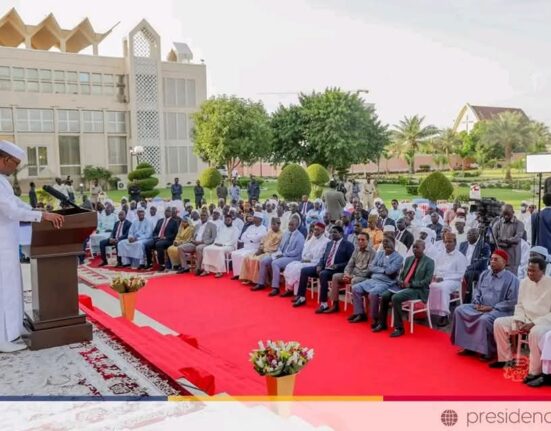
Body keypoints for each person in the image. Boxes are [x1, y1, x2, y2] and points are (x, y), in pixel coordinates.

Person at [0, 141, 64, 352]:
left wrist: (36, 210)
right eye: (15, 163)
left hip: (8, 243)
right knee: (4, 291)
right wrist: (41, 216)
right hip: (2, 245)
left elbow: (17, 203)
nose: (16, 168)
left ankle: (14, 329)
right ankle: (3, 338)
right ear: (5, 159)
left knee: (12, 287)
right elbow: (11, 211)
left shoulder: (3, 181)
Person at [450, 249, 519, 360]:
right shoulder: (485, 274)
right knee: (459, 310)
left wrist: (492, 307)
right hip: (481, 306)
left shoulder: (512, 279)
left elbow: (512, 301)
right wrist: (477, 302)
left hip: (499, 310)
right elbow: (477, 291)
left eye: (496, 259)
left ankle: (488, 351)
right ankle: (469, 347)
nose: (492, 262)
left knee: (485, 319)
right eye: (491, 259)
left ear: (504, 262)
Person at [491, 257, 551, 381]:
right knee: (499, 323)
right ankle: (505, 359)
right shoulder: (524, 282)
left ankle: (535, 371)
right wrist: (519, 319)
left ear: (543, 271)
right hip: (524, 318)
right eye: (528, 270)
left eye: (533, 271)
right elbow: (520, 305)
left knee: (535, 333)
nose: (530, 273)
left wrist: (534, 323)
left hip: (543, 322)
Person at [374, 240, 435, 337]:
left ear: (423, 248)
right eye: (413, 247)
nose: (414, 249)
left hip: (417, 290)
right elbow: (402, 274)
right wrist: (400, 281)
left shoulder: (429, 262)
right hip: (402, 286)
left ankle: (399, 328)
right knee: (385, 295)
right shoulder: (409, 259)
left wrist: (410, 284)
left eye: (417, 247)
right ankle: (382, 323)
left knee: (396, 298)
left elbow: (427, 281)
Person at [292, 225, 354, 310]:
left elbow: (350, 262)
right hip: (325, 267)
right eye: (331, 232)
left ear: (341, 233)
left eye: (335, 232)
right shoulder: (329, 243)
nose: (332, 234)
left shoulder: (348, 245)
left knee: (323, 274)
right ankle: (301, 297)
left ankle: (324, 303)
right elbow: (323, 257)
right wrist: (319, 265)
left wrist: (337, 265)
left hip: (336, 269)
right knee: (304, 271)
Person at [349, 237, 404, 325]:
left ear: (393, 244)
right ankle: (360, 314)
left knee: (373, 293)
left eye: (387, 242)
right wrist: (383, 270)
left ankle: (374, 317)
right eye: (383, 242)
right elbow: (371, 267)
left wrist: (385, 261)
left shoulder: (399, 257)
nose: (385, 244)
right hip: (373, 279)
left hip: (386, 282)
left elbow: (390, 271)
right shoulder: (380, 253)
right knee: (355, 288)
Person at [252, 216, 304, 293]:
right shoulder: (286, 233)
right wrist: (279, 253)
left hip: (293, 257)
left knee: (275, 263)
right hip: (281, 254)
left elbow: (297, 251)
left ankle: (275, 287)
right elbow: (280, 246)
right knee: (264, 260)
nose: (289, 226)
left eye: (292, 225)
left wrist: (284, 255)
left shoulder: (300, 236)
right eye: (289, 224)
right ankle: (261, 283)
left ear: (296, 226)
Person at [327, 232, 376, 313]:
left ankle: (358, 312)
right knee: (335, 276)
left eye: (363, 240)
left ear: (368, 241)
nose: (360, 242)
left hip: (364, 277)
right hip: (352, 275)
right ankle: (335, 305)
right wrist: (346, 274)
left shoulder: (372, 252)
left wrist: (352, 276)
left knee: (354, 280)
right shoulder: (356, 250)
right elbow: (349, 264)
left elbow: (369, 271)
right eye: (358, 240)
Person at [428, 233, 468, 326]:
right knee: (429, 286)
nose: (447, 244)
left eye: (450, 242)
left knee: (442, 288)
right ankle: (432, 311)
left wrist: (444, 278)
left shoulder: (460, 256)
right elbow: (435, 267)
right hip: (439, 278)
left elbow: (460, 274)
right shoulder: (440, 254)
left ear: (455, 242)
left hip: (454, 280)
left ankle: (444, 315)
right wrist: (434, 276)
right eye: (446, 242)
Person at [281, 222, 330, 298]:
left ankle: (297, 293)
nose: (315, 231)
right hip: (306, 261)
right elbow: (305, 252)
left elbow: (319, 257)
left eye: (317, 230)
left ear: (323, 231)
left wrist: (307, 260)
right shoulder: (312, 239)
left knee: (298, 269)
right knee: (290, 266)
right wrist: (305, 258)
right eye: (314, 229)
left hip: (315, 263)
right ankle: (290, 289)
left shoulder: (326, 241)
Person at [240, 218, 284, 284]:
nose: (272, 226)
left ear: (279, 225)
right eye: (272, 224)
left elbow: (277, 248)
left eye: (274, 224)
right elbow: (262, 241)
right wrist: (260, 249)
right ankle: (248, 278)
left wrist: (264, 250)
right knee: (247, 257)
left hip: (271, 253)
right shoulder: (269, 231)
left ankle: (257, 280)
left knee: (257, 260)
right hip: (262, 250)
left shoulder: (281, 234)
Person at [231, 212, 267, 279]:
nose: (254, 219)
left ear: (260, 220)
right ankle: (237, 274)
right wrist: (251, 238)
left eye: (256, 218)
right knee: (235, 254)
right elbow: (242, 237)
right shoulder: (250, 227)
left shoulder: (263, 228)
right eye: (254, 217)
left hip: (254, 248)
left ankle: (244, 276)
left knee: (243, 256)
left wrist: (248, 237)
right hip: (246, 247)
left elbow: (256, 239)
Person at [459, 228, 491, 303]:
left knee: (469, 274)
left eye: (472, 234)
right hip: (462, 268)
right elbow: (459, 257)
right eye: (468, 233)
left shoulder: (484, 246)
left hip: (478, 270)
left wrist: (467, 268)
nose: (469, 235)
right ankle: (455, 297)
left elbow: (481, 263)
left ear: (478, 235)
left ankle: (467, 298)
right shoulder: (463, 244)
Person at [144, 207, 179, 272]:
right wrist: (155, 236)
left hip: (168, 240)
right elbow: (154, 231)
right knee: (147, 244)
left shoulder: (174, 222)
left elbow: (175, 234)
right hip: (158, 238)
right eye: (166, 211)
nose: (167, 212)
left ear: (171, 213)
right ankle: (149, 263)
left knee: (159, 244)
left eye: (168, 211)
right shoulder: (160, 220)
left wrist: (166, 237)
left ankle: (162, 264)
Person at [493, 204, 525, 275]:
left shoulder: (519, 224)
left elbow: (517, 239)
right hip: (500, 256)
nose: (506, 216)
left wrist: (503, 240)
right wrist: (506, 242)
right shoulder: (497, 224)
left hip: (513, 257)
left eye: (508, 214)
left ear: (513, 212)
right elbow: (493, 239)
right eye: (504, 214)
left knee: (511, 276)